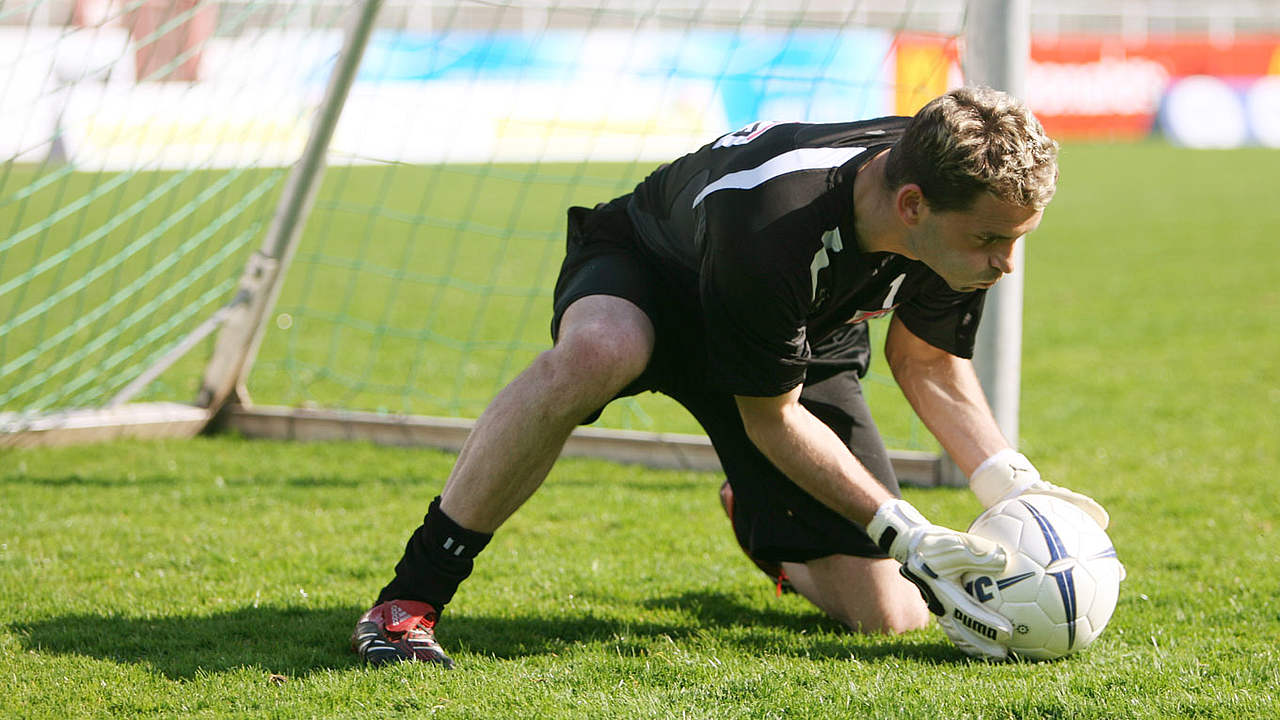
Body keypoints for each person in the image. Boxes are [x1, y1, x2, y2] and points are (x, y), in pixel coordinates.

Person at [350, 86, 1111, 666]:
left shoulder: (953, 210)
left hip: (803, 325)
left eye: (1015, 240)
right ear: (911, 206)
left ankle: (757, 518)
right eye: (991, 240)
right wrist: (905, 529)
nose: (1005, 262)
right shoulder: (774, 220)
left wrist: (1012, 484)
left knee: (890, 613)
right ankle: (409, 598)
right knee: (600, 351)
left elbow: (929, 363)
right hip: (656, 278)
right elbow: (771, 419)